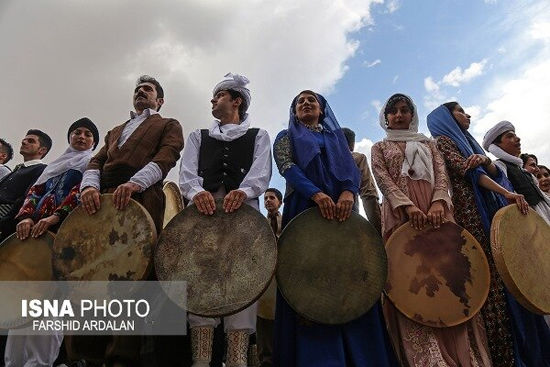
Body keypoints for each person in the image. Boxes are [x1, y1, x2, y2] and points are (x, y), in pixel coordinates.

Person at [273, 90, 397, 367]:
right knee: (308, 281)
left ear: (322, 109)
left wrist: (348, 193)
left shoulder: (336, 138)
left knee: (351, 278)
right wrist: (316, 194)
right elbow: (287, 167)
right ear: (294, 112)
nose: (305, 103)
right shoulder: (285, 137)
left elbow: (350, 171)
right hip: (304, 211)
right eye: (299, 102)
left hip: (342, 215)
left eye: (311, 100)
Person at [371, 93, 491, 366]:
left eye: (405, 110)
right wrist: (407, 207)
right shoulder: (379, 147)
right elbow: (383, 179)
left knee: (449, 276)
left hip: (437, 212)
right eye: (394, 112)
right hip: (401, 216)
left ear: (412, 115)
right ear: (386, 117)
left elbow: (441, 175)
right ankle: (429, 358)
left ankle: (464, 356)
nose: (399, 115)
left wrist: (438, 202)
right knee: (413, 279)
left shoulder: (429, 143)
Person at [79, 75, 184, 366]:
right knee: (94, 273)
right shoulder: (115, 130)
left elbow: (167, 157)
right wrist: (89, 187)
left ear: (159, 100)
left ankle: (123, 357)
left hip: (142, 198)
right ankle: (90, 354)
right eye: (137, 89)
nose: (140, 92)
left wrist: (135, 184)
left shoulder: (168, 124)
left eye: (147, 90)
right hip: (103, 203)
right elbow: (95, 161)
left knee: (130, 276)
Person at [427, 102, 538, 366]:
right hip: (472, 215)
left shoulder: (469, 142)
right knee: (492, 281)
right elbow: (470, 172)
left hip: (488, 209)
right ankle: (507, 356)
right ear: (446, 117)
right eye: (461, 111)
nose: (468, 115)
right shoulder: (442, 142)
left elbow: (493, 171)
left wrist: (486, 161)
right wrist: (506, 193)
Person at [179, 73, 271, 367]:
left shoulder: (259, 135)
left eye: (218, 96)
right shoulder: (198, 136)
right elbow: (187, 173)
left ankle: (237, 360)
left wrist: (244, 192)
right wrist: (196, 193)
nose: (212, 101)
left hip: (243, 218)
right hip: (203, 217)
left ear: (236, 101)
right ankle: (201, 360)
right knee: (202, 277)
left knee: (242, 280)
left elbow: (261, 172)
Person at [5, 117, 99, 367]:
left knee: (51, 305)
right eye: (77, 132)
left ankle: (39, 362)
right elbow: (34, 193)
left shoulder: (92, 165)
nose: (81, 136)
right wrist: (25, 217)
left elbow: (81, 193)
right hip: (33, 239)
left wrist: (57, 215)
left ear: (93, 142)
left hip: (65, 237)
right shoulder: (52, 166)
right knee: (23, 304)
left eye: (88, 134)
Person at [482, 121, 550, 225]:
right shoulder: (500, 165)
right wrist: (484, 160)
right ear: (497, 146)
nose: (518, 139)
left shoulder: (522, 169)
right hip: (529, 218)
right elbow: (494, 171)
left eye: (515, 136)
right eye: (510, 136)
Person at [0, 129, 51, 242]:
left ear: (42, 150)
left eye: (31, 141)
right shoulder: (18, 169)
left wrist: (4, 222)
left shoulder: (42, 170)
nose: (24, 142)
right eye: (24, 140)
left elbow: (27, 197)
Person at [256, 187, 282, 367]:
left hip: (284, 277)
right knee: (264, 320)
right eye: (265, 198)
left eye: (272, 197)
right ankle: (265, 360)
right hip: (265, 278)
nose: (268, 201)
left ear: (279, 201)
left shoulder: (288, 221)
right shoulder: (258, 225)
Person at [341, 127, 382, 233]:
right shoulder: (357, 158)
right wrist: (378, 230)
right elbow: (368, 194)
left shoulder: (318, 157)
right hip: (349, 217)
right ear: (352, 145)